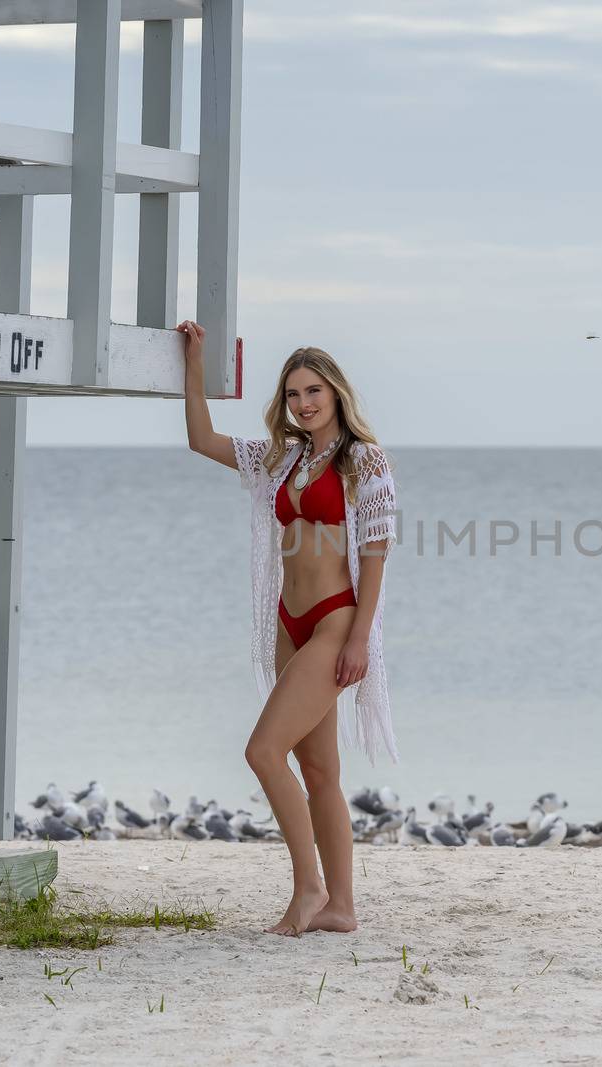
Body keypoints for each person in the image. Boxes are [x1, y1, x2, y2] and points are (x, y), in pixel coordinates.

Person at [177, 321, 399, 936]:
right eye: (294, 394)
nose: (303, 404)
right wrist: (193, 364)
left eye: (314, 392)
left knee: (263, 750)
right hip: (288, 624)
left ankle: (308, 891)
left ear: (336, 395)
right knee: (320, 772)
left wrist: (360, 639)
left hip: (333, 622)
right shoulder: (283, 459)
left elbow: (377, 551)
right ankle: (342, 908)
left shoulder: (364, 460)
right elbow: (201, 440)